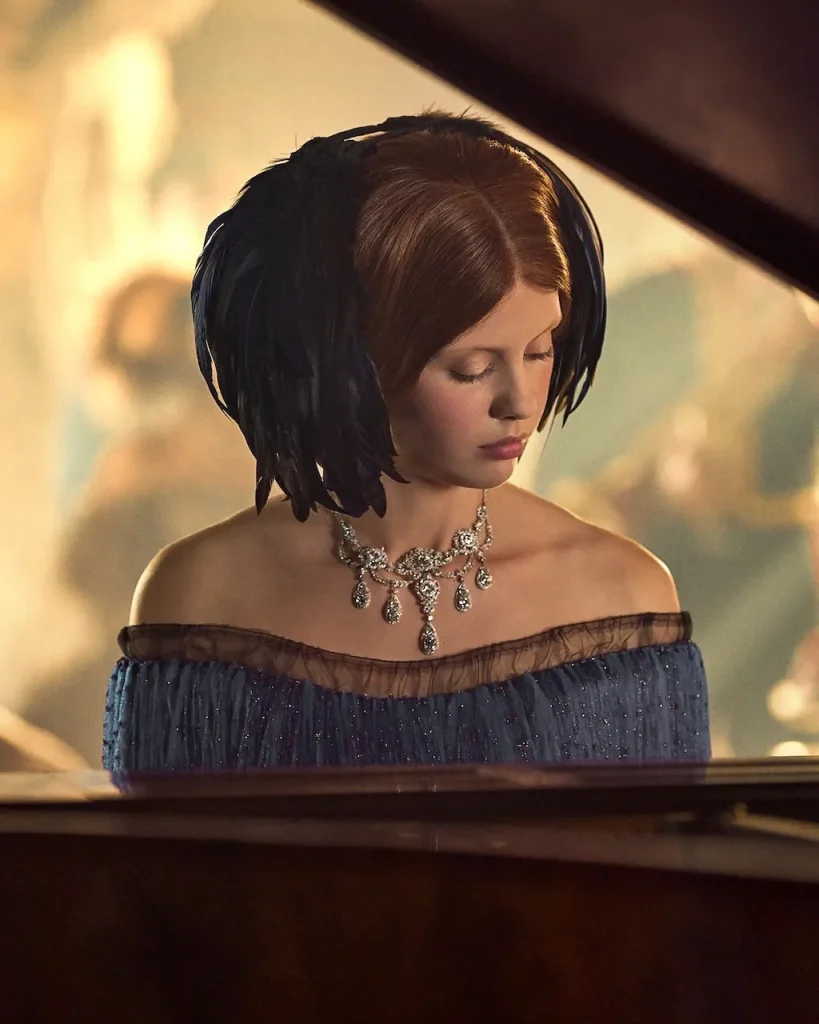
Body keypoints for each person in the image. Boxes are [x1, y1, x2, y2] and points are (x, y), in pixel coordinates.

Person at [103, 112, 710, 772]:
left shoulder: (623, 596)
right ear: (358, 365)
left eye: (539, 351)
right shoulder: (200, 593)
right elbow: (161, 869)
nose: (519, 403)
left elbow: (659, 865)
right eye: (471, 368)